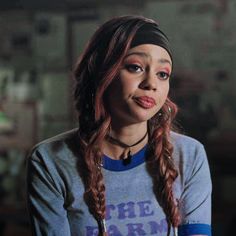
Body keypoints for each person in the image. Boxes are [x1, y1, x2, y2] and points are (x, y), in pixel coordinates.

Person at [26, 15, 212, 236]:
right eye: (135, 67)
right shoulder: (50, 160)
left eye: (162, 74)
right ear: (102, 73)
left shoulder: (189, 155)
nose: (151, 83)